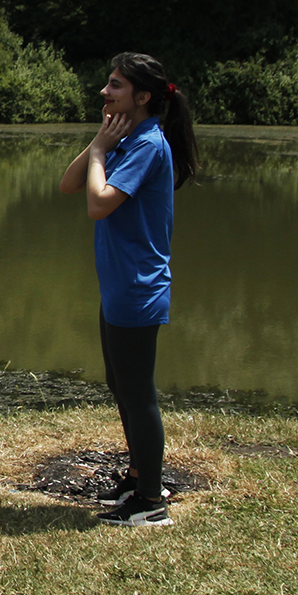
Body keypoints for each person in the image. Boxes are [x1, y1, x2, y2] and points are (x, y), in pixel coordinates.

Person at [57, 52, 199, 528]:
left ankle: (151, 501)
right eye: (107, 84)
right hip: (119, 287)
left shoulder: (147, 144)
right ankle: (139, 475)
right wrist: (98, 142)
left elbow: (98, 204)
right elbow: (68, 185)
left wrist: (100, 151)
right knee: (121, 384)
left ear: (142, 97)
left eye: (115, 85)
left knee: (138, 393)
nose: (104, 92)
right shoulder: (124, 139)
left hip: (138, 288)